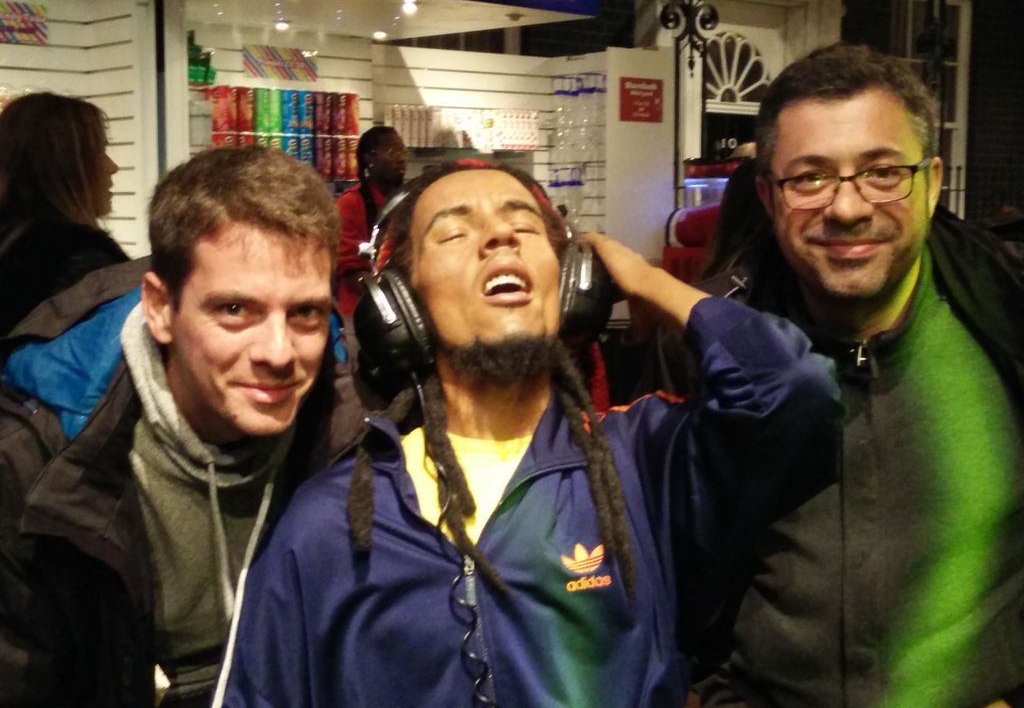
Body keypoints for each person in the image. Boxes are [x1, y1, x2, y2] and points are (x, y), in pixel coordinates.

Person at [217, 161, 841, 707]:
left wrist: (646, 279)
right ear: (400, 306)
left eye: (524, 226)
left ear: (571, 284)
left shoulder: (644, 464)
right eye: (454, 233)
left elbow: (792, 390)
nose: (499, 237)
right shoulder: (328, 526)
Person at [688, 44, 1024, 707]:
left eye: (882, 172)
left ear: (932, 182)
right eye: (810, 178)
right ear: (768, 195)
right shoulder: (708, 345)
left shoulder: (1008, 316)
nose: (847, 207)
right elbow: (665, 557)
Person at [0, 146, 366, 706]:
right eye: (235, 310)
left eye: (305, 313)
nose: (279, 352)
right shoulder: (33, 465)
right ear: (160, 308)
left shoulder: (357, 426)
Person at [0, 92, 128, 334]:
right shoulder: (82, 263)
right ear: (66, 167)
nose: (112, 167)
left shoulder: (13, 243)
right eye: (99, 151)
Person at [335, 125, 407, 317]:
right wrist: (391, 296)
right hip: (361, 314)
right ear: (369, 159)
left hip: (404, 308)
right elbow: (350, 269)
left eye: (402, 151)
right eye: (392, 151)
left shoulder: (408, 200)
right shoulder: (350, 204)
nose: (401, 157)